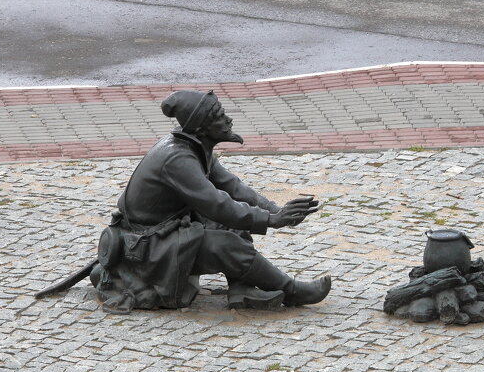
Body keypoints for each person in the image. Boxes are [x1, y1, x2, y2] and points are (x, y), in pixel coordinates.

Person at [91, 90, 332, 313]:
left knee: (232, 224)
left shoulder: (194, 147)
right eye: (219, 116)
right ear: (202, 128)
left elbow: (233, 187)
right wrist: (270, 220)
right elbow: (217, 204)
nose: (228, 119)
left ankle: (241, 290)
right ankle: (292, 291)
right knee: (226, 245)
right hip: (149, 247)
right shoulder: (178, 159)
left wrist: (273, 209)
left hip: (167, 231)